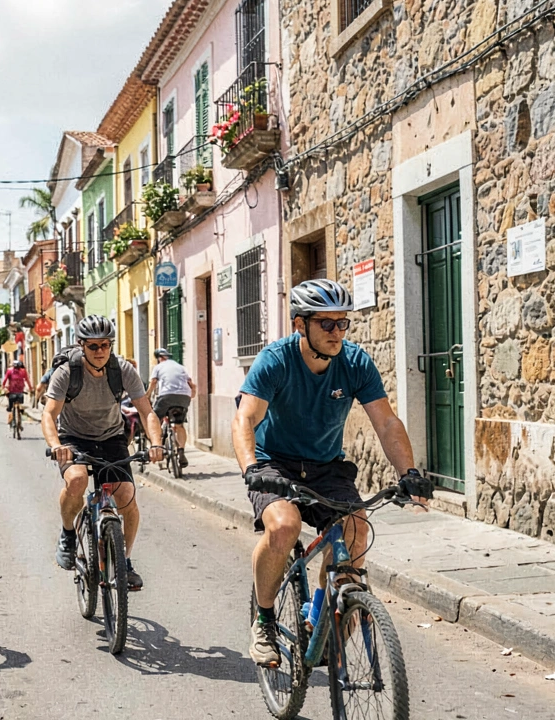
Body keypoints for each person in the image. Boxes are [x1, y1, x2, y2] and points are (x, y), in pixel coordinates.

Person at [235, 279, 433, 668]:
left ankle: (322, 617)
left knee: (356, 529)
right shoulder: (275, 360)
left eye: (343, 323)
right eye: (327, 324)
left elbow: (386, 423)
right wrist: (252, 469)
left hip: (327, 466)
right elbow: (246, 416)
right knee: (283, 526)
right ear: (300, 325)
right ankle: (264, 619)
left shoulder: (355, 361)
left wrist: (409, 472)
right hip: (274, 463)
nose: (337, 332)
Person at [42, 315, 164, 591]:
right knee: (76, 481)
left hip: (111, 438)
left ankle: (125, 561)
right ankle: (68, 532)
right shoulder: (67, 372)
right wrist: (56, 446)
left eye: (105, 345)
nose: (100, 351)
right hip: (73, 438)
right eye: (93, 346)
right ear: (82, 346)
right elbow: (49, 414)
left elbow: (146, 410)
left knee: (126, 498)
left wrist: (156, 443)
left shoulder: (121, 370)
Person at [148, 348, 198, 469]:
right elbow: (191, 384)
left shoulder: (158, 367)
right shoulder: (181, 367)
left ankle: (158, 446)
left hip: (166, 396)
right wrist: (191, 395)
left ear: (159, 358)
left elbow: (153, 382)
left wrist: (146, 396)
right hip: (183, 397)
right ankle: (181, 451)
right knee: (179, 425)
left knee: (155, 419)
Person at [2, 360, 30, 424]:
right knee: (20, 403)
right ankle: (19, 413)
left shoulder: (9, 371)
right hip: (20, 392)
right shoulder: (23, 371)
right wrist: (30, 388)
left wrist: (3, 387)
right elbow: (27, 380)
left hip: (12, 392)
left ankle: (11, 415)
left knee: (10, 406)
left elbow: (5, 380)